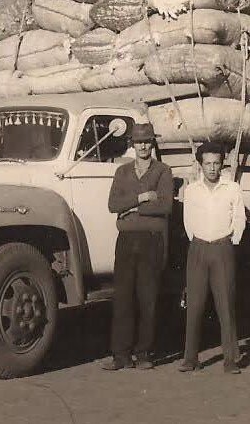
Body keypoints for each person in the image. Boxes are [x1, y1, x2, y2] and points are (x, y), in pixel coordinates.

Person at [101, 122, 174, 371]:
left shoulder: (163, 171)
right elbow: (113, 205)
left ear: (152, 144)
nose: (143, 146)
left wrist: (131, 209)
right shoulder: (122, 172)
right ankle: (120, 355)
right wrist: (142, 198)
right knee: (122, 297)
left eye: (147, 141)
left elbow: (165, 206)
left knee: (147, 297)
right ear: (132, 144)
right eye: (139, 142)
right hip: (126, 241)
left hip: (151, 240)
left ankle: (143, 353)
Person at [179, 142, 246, 375]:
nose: (212, 168)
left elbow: (239, 218)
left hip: (222, 248)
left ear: (222, 164)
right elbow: (188, 221)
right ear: (200, 165)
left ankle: (231, 359)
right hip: (198, 249)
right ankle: (190, 359)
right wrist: (198, 241)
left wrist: (231, 241)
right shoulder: (191, 190)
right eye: (207, 163)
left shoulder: (232, 188)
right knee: (194, 305)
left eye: (216, 163)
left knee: (225, 304)